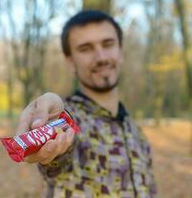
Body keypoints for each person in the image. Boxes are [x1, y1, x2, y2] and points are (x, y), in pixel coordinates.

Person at [16, 10, 156, 198]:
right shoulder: (69, 120)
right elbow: (60, 154)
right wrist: (51, 126)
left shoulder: (137, 133)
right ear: (70, 61)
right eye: (86, 48)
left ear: (120, 51)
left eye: (108, 44)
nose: (101, 57)